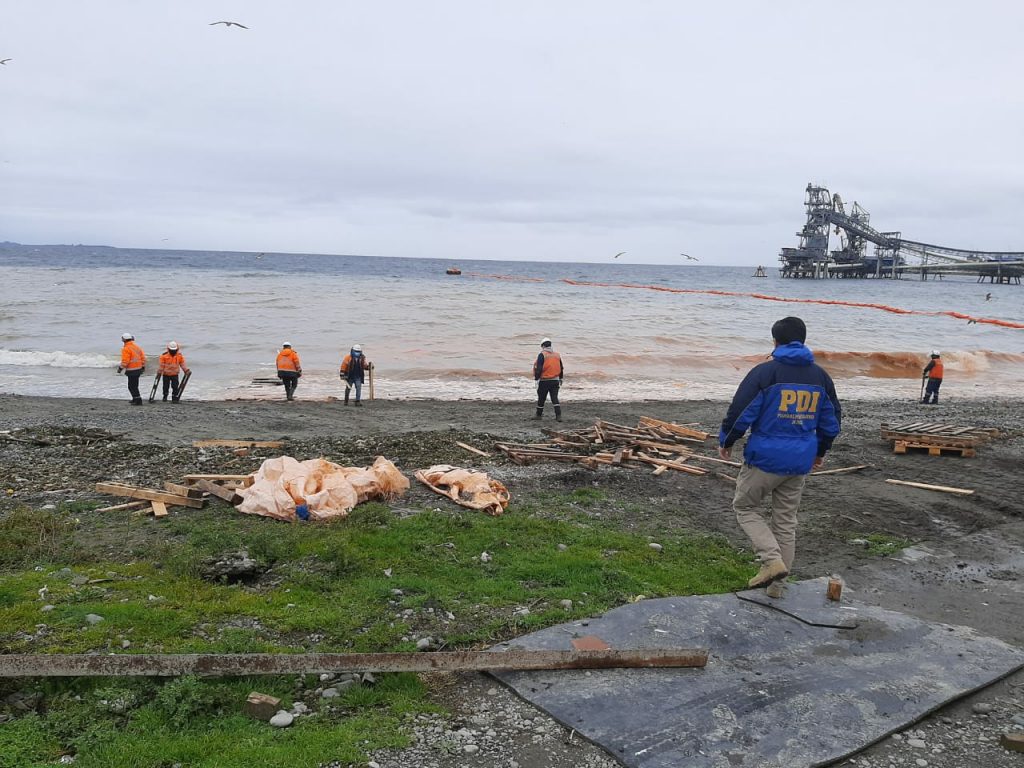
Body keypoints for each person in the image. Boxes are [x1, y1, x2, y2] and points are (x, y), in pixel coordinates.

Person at [718, 316, 841, 599]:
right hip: (799, 461)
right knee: (785, 521)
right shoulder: (820, 377)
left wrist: (727, 441)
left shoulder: (765, 373)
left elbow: (741, 410)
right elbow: (831, 421)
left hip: (764, 459)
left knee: (745, 508)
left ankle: (771, 561)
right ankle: (777, 588)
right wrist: (820, 451)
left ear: (775, 341)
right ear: (803, 340)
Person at [532, 338, 563, 422]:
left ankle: (538, 415)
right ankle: (558, 416)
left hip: (544, 381)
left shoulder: (542, 354)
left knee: (541, 398)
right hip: (555, 380)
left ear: (543, 346)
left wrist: (536, 378)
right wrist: (561, 378)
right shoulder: (557, 355)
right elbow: (561, 367)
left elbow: (539, 368)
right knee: (554, 398)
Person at [117, 333, 146, 405]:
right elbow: (143, 357)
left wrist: (120, 368)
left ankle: (138, 400)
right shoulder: (137, 347)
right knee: (135, 385)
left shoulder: (126, 349)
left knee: (131, 386)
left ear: (124, 339)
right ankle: (135, 399)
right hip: (138, 369)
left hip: (131, 370)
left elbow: (125, 361)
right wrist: (143, 367)